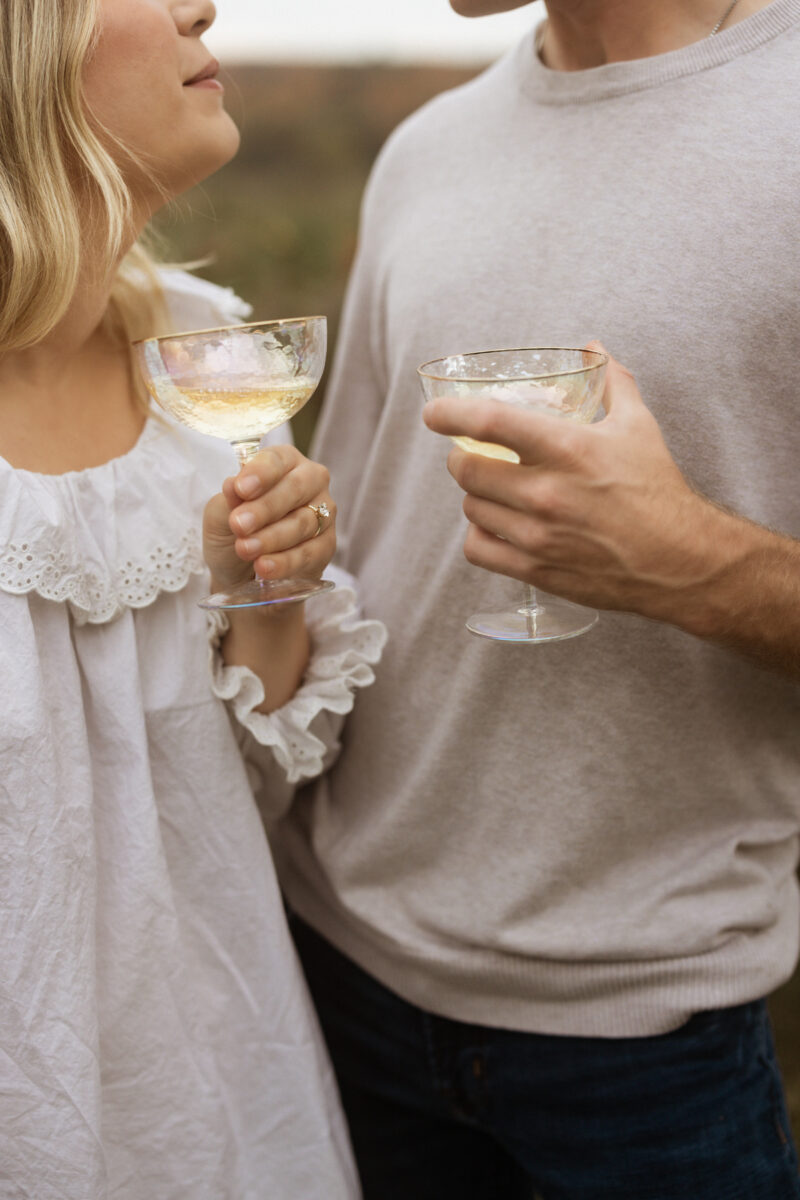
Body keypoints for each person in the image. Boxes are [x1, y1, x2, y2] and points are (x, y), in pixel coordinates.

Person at [271, 0, 800, 1196]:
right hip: (338, 975)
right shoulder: (426, 148)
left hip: (646, 1045)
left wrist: (691, 559)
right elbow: (342, 558)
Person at [0, 1, 385, 1195]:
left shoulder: (211, 354)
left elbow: (243, 793)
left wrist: (269, 594)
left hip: (216, 1090)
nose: (199, 6)